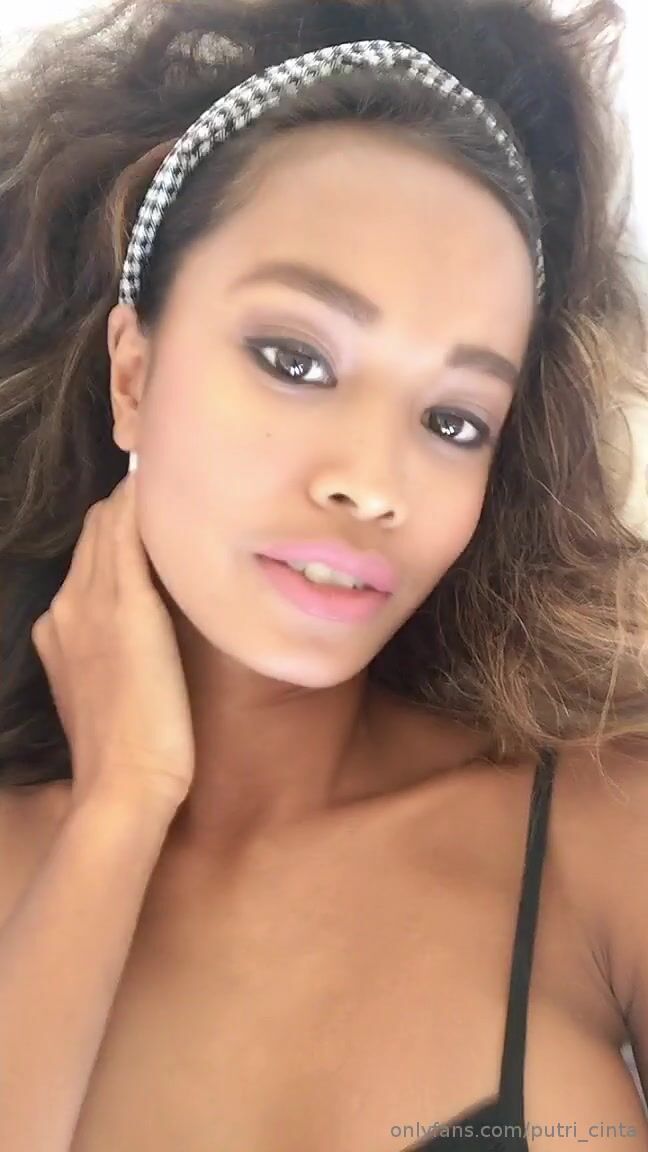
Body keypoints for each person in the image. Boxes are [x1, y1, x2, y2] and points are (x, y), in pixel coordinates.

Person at [0, 0, 647, 1147]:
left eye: (453, 420)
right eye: (296, 359)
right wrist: (120, 807)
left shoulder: (603, 830)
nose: (372, 483)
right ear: (133, 373)